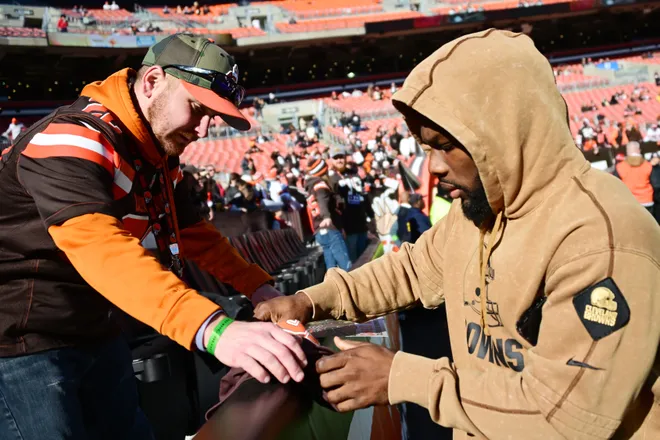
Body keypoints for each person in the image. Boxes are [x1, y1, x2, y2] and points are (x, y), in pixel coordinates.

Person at [255, 29, 660, 439]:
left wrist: (404, 377)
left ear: (504, 131)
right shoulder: (480, 211)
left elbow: (571, 415)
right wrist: (309, 301)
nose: (433, 167)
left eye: (445, 144)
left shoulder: (602, 236)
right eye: (427, 147)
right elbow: (411, 270)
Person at [0, 34, 307, 440]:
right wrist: (213, 330)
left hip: (97, 330)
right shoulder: (69, 139)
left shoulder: (157, 152)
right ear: (152, 82)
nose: (203, 129)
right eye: (197, 108)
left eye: (214, 117)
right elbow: (103, 250)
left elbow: (196, 235)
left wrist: (260, 288)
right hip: (23, 345)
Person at [304, 157, 351, 271]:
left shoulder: (311, 187)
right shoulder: (320, 185)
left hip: (319, 230)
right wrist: (327, 217)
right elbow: (322, 199)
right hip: (329, 227)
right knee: (345, 264)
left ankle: (334, 287)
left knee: (331, 267)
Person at [613, 141, 660, 217]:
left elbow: (615, 186)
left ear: (627, 151)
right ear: (639, 150)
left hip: (630, 203)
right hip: (647, 202)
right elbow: (656, 185)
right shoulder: (648, 165)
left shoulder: (620, 167)